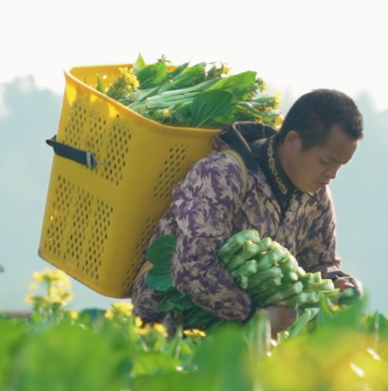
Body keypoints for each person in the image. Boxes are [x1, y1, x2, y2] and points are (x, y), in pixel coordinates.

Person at [131, 89, 364, 335]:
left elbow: (319, 263)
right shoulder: (222, 174)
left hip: (242, 344)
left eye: (341, 165)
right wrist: (255, 316)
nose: (333, 175)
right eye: (327, 162)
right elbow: (193, 266)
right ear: (293, 141)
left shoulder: (316, 196)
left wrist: (341, 282)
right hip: (168, 332)